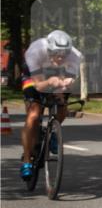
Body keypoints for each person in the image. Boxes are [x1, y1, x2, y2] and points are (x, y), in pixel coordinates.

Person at [20, 30, 82, 180]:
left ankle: (53, 131)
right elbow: (39, 85)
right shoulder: (35, 51)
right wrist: (49, 82)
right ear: (48, 50)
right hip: (34, 75)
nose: (60, 57)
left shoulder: (75, 55)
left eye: (64, 54)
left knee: (62, 104)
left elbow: (71, 80)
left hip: (58, 74)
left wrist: (66, 84)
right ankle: (27, 160)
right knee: (34, 114)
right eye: (56, 54)